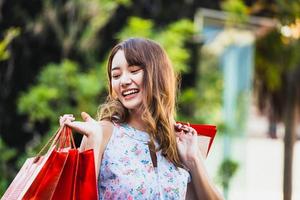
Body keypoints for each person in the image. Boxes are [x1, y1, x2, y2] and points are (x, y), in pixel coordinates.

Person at [59, 38, 223, 200]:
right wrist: (92, 141)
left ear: (157, 74)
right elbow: (79, 194)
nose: (123, 81)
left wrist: (193, 160)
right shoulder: (103, 132)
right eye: (116, 75)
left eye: (134, 71)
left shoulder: (182, 140)